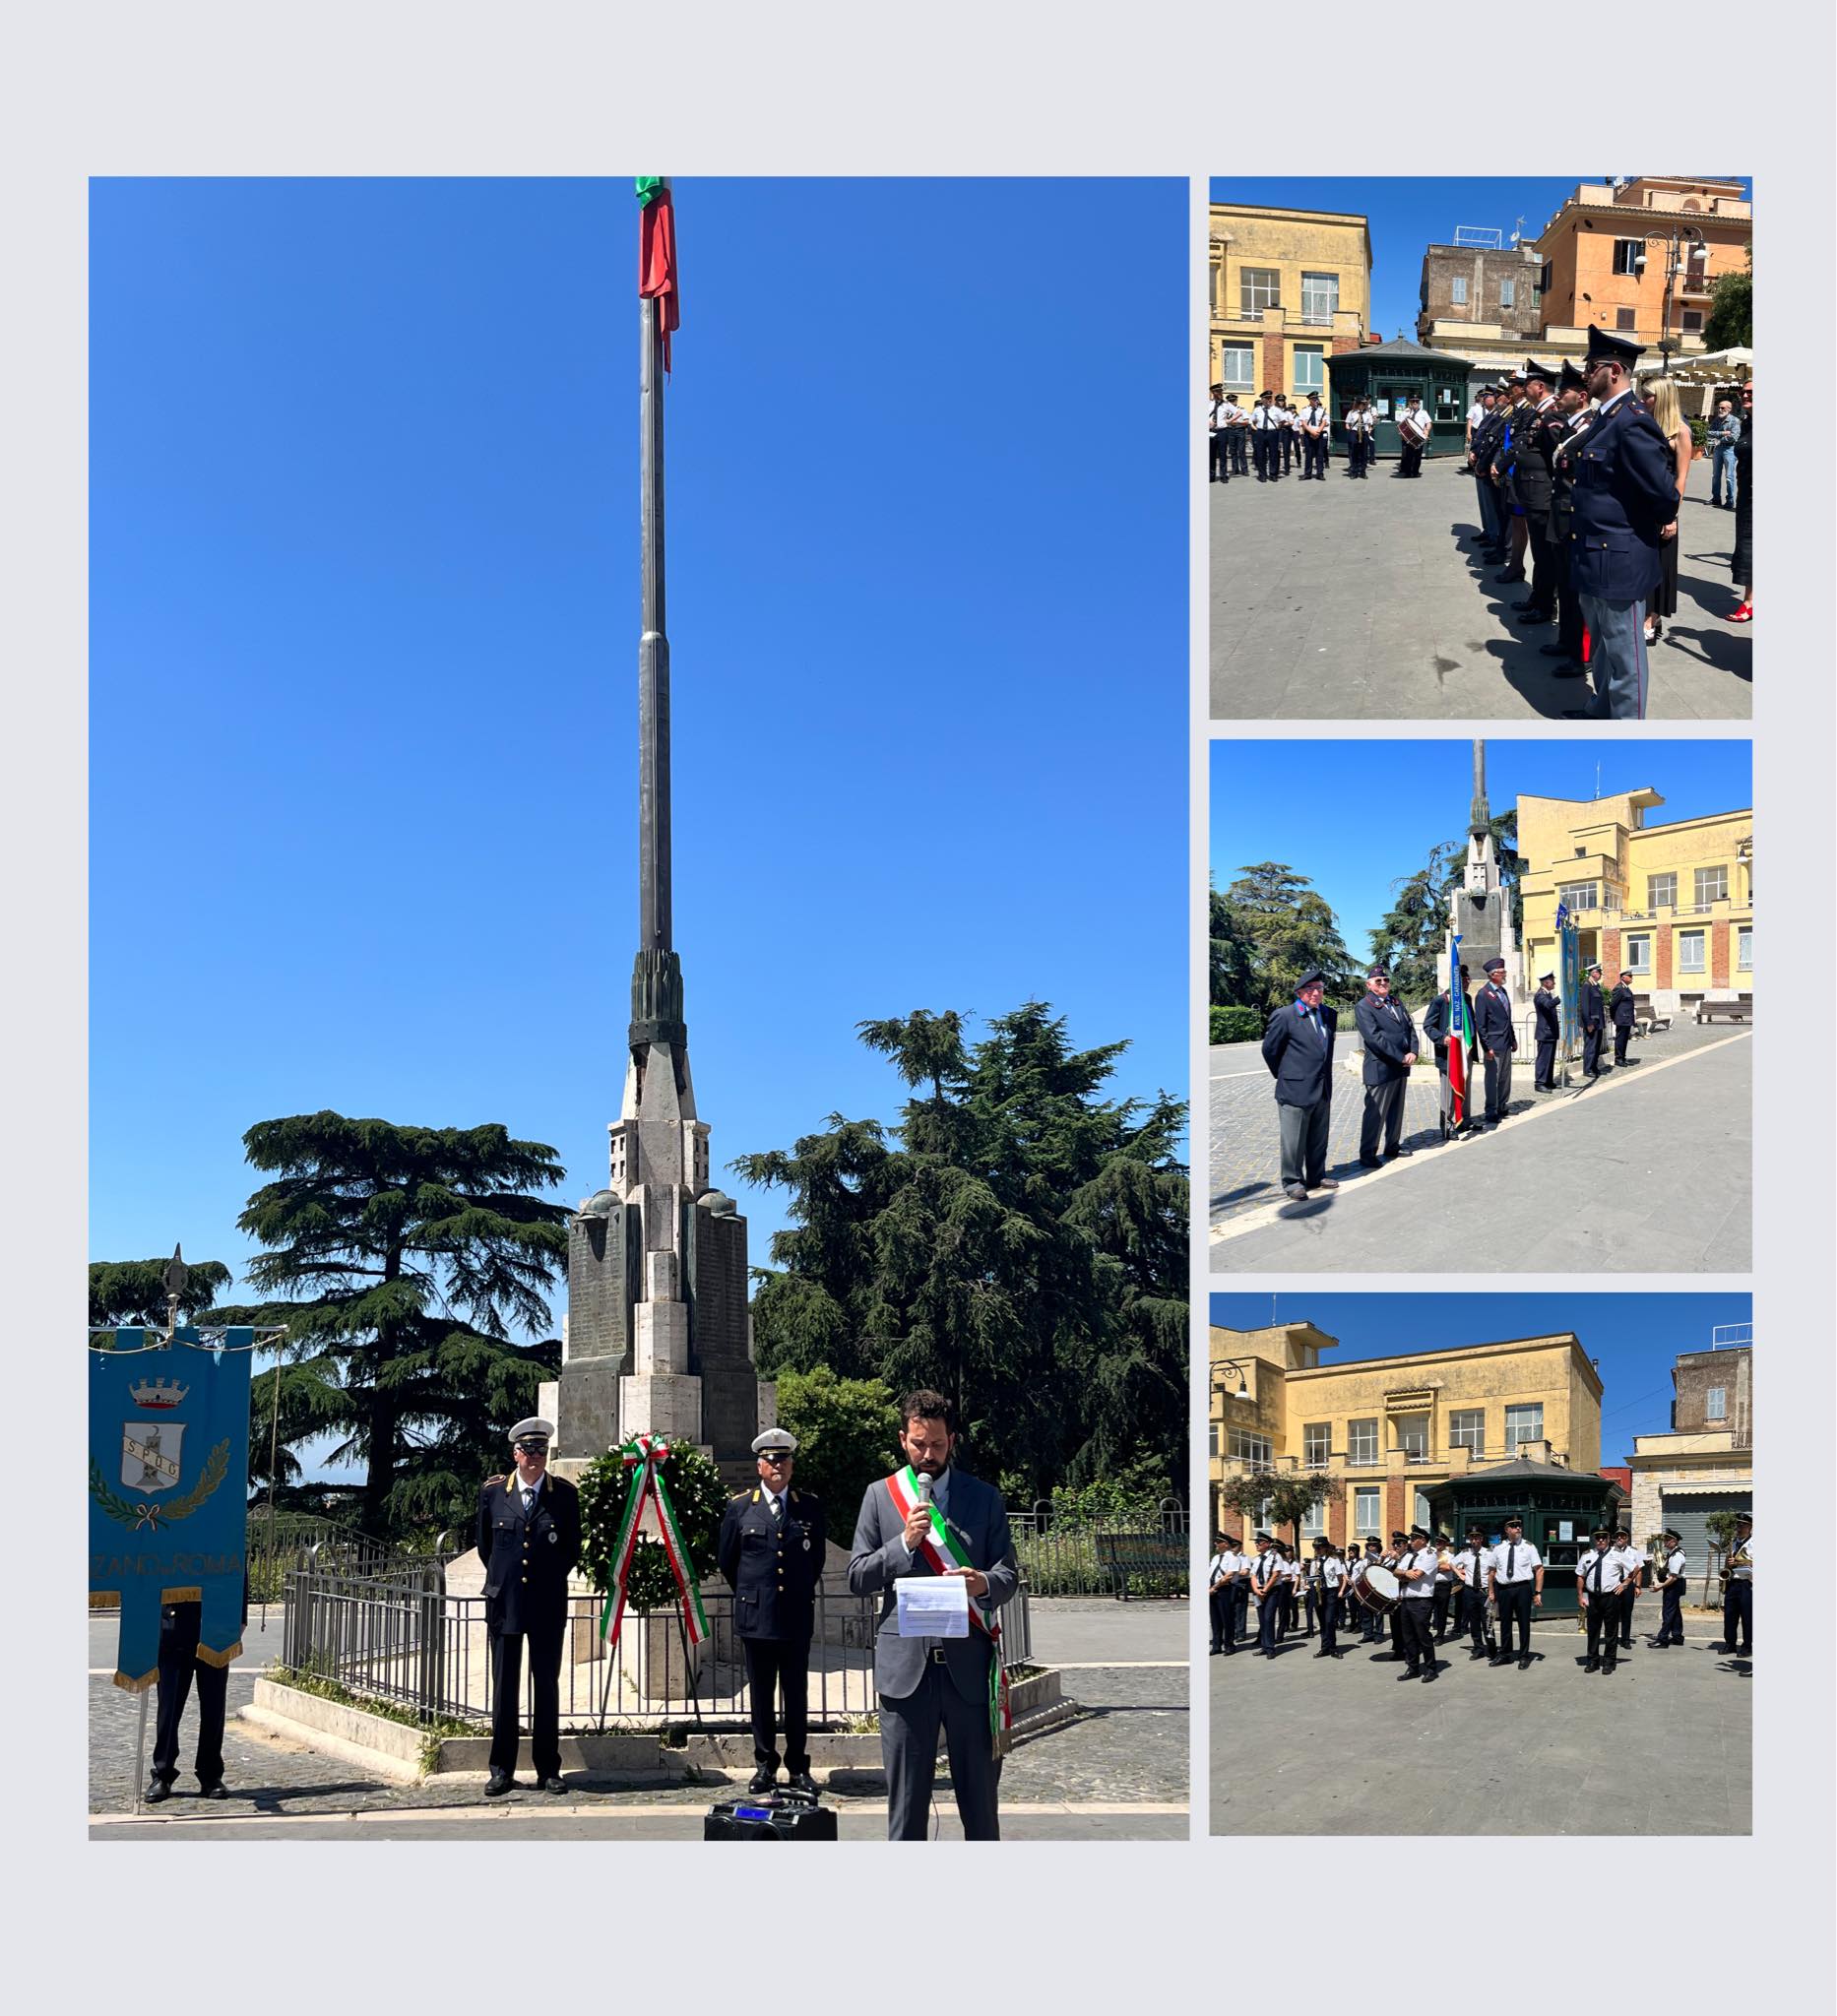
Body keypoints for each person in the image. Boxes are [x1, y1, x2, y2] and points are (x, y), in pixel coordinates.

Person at [848, 1387, 1017, 1840]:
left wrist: (982, 1583)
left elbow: (1008, 1574)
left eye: (937, 1445)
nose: (928, 1454)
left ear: (952, 1440)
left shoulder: (982, 1497)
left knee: (980, 1809)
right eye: (919, 1444)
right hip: (906, 1675)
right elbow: (858, 1575)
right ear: (904, 1439)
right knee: (906, 1812)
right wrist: (902, 1544)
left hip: (968, 1673)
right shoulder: (881, 1496)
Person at [1565, 324, 1679, 721]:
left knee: (1625, 657)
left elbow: (1663, 493)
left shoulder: (1631, 421)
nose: (1585, 374)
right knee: (1601, 649)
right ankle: (1601, 710)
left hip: (1619, 560)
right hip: (1593, 555)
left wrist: (1657, 525)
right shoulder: (1605, 418)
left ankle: (1627, 726)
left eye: (1591, 366)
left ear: (1614, 370)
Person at [477, 1416, 582, 1797]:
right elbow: (487, 1548)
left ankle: (548, 1768)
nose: (535, 1457)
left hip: (546, 1603)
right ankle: (501, 1769)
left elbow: (570, 1550)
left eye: (541, 1451)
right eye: (528, 1450)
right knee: (504, 1688)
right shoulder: (492, 1494)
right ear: (515, 1453)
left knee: (546, 1687)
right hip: (506, 1603)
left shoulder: (565, 1496)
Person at [718, 1426, 826, 1794]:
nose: (777, 1465)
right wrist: (754, 1596)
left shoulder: (808, 1506)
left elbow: (816, 1562)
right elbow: (728, 1561)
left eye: (784, 1459)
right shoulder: (740, 1507)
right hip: (757, 1617)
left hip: (795, 1616)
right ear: (759, 1465)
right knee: (762, 1696)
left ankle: (798, 1766)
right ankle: (765, 1765)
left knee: (796, 1695)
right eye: (770, 1459)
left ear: (792, 1465)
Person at [145, 1580, 248, 1803]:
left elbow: (236, 1568)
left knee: (213, 1706)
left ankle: (210, 1774)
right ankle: (162, 1773)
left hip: (215, 1626)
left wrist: (240, 1618)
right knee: (168, 1706)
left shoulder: (221, 1541)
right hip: (173, 1624)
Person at [1261, 969, 1340, 1202]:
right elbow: (1270, 1050)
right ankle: (1293, 1181)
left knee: (1318, 1137)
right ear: (1299, 993)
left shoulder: (1329, 1014)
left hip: (1322, 1087)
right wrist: (1286, 1075)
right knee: (1293, 1141)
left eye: (1319, 988)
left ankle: (1317, 1175)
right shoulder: (1284, 1015)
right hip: (1295, 1089)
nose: (1316, 993)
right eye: (1310, 989)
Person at [1541, 360, 1595, 677]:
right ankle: (1566, 640)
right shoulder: (1573, 427)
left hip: (1574, 519)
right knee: (1564, 583)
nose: (1560, 396)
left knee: (1576, 590)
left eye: (1566, 391)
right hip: (1560, 515)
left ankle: (1582, 654)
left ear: (1583, 396)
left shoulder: (1590, 429)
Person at [1505, 360, 1561, 625]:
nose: (1522, 388)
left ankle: (1545, 605)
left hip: (1543, 494)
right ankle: (1538, 598)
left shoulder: (1553, 414)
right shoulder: (1539, 412)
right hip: (1532, 491)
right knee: (1539, 552)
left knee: (1544, 554)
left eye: (1526, 384)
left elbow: (1556, 459)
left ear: (1539, 387)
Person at [1643, 375, 1692, 647]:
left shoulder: (1680, 432)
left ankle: (1651, 619)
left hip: (1665, 508)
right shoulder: (1648, 427)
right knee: (1645, 562)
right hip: (1644, 507)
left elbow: (1681, 478)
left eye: (1648, 395)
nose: (1642, 400)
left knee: (1661, 563)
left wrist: (1672, 516)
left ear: (1661, 398)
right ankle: (1650, 616)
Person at [1354, 965, 1418, 1167]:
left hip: (1401, 1065)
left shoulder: (1396, 1002)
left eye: (1385, 980)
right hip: (1380, 1066)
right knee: (1376, 1113)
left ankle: (1392, 1146)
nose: (1383, 983)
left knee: (1396, 1110)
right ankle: (1368, 1154)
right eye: (1378, 981)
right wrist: (1400, 1056)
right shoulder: (1364, 1006)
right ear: (1369, 985)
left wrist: (1413, 1051)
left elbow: (1410, 1028)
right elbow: (1374, 1038)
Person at [1422, 965, 1479, 1136]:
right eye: (1464, 979)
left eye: (1469, 979)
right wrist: (1442, 1038)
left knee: (1465, 1087)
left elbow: (1471, 1023)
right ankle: (1448, 1125)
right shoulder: (1441, 1000)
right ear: (1456, 981)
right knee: (1449, 1090)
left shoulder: (1467, 998)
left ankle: (1464, 1120)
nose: (1468, 982)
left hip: (1465, 1051)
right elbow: (1428, 1025)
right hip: (1449, 1054)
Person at [1488, 1514, 1542, 1670]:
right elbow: (1491, 1572)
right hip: (1503, 1589)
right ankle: (1505, 1654)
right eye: (1514, 1526)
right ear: (1506, 1530)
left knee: (1524, 1623)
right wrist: (1491, 1591)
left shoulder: (1529, 1547)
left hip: (1522, 1588)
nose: (1518, 1528)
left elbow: (1539, 1569)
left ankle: (1524, 1656)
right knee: (1505, 1623)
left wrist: (1537, 1592)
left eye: (1519, 1525)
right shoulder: (1498, 1549)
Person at [1578, 1528, 1629, 1674]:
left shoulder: (1616, 1554)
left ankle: (1609, 1661)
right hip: (1593, 1597)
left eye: (1603, 1537)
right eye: (1598, 1537)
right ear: (1594, 1539)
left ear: (1608, 1539)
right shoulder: (1587, 1555)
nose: (1600, 1540)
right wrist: (1580, 1595)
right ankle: (1592, 1661)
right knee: (1593, 1631)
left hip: (1610, 1597)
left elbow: (1635, 1568)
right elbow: (1580, 1576)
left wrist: (1625, 1584)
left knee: (1611, 1631)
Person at [1474, 957, 1517, 1126]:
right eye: (1502, 972)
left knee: (1505, 1077)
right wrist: (1487, 1047)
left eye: (1504, 971)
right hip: (1494, 1044)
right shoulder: (1483, 995)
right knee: (1493, 1079)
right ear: (1493, 975)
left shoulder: (1503, 992)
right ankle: (1491, 1109)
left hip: (1506, 1042)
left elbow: (1508, 1018)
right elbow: (1481, 1025)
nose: (1504, 974)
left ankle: (1502, 1105)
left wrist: (1513, 1039)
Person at [1394, 1527, 1439, 1682]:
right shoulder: (1408, 1556)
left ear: (1424, 1540)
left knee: (1423, 1637)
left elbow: (1417, 1576)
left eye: (1414, 1538)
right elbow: (1396, 1572)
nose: (1411, 1541)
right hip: (1407, 1600)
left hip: (1421, 1601)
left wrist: (1404, 1575)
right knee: (1408, 1637)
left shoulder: (1429, 1554)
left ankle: (1431, 1669)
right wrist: (1406, 1573)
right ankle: (1412, 1668)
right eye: (1411, 1538)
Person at [1724, 381, 1752, 623]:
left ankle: (1749, 601)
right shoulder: (1747, 422)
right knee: (1746, 544)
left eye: (1751, 392)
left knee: (1750, 547)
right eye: (1742, 391)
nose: (1744, 395)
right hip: (1746, 495)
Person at [1453, 1525, 1495, 1661]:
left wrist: (1492, 1590)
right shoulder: (1465, 1553)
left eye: (1476, 1538)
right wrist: (1460, 1575)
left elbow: (1495, 1570)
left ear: (1481, 1539)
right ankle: (1478, 1648)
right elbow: (1451, 1564)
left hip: (1484, 1591)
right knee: (1474, 1621)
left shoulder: (1489, 1553)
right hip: (1470, 1591)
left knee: (1488, 1621)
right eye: (1471, 1538)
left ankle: (1492, 1649)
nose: (1474, 1541)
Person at [1722, 1513, 1752, 1657]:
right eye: (1738, 1525)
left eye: (1742, 1525)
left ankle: (1747, 1646)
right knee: (1729, 1616)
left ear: (1750, 1527)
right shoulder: (1733, 1543)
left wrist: (1740, 1562)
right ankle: (1730, 1644)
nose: (1739, 1528)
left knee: (1747, 1617)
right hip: (1732, 1583)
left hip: (1748, 1584)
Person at [1651, 1529, 1688, 1647]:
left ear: (1674, 1541)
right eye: (1665, 1540)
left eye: (1667, 1540)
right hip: (1674, 1585)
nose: (1665, 1542)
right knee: (1675, 1611)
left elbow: (1673, 1577)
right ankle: (1677, 1637)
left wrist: (1660, 1586)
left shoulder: (1677, 1555)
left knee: (1668, 1612)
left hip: (1674, 1585)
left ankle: (1662, 1639)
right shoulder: (1673, 1552)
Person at [1250, 1532, 1284, 1656]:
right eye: (1256, 1542)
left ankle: (1270, 1648)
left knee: (1269, 1618)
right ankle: (1264, 1646)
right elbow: (1253, 1576)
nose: (1256, 1544)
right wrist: (1256, 1590)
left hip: (1271, 1591)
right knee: (1262, 1620)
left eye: (1259, 1542)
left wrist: (1265, 1590)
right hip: (1258, 1591)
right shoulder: (1257, 1559)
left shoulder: (1276, 1556)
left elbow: (1276, 1575)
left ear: (1267, 1544)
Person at [1706, 396, 1741, 509]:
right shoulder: (1717, 420)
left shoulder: (1735, 421)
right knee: (1715, 475)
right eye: (1719, 408)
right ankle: (1716, 498)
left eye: (1723, 408)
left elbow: (1734, 437)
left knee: (1729, 476)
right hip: (1718, 449)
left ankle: (1730, 500)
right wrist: (1723, 433)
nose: (1720, 410)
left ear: (1729, 409)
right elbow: (1709, 433)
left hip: (1730, 450)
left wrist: (1719, 439)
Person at [1315, 1544, 1347, 1659]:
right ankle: (1324, 1648)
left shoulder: (1334, 1560)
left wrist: (1338, 1590)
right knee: (1322, 1622)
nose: (1316, 1550)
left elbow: (1340, 1576)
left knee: (1329, 1621)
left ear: (1325, 1548)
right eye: (1315, 1547)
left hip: (1330, 1592)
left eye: (1319, 1547)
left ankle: (1333, 1648)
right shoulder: (1316, 1561)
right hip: (1319, 1592)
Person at [1532, 971, 1560, 1091]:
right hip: (1544, 1032)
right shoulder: (1540, 996)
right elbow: (1548, 1005)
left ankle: (1548, 1080)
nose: (1554, 982)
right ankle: (1540, 1083)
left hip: (1550, 1032)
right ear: (1546, 982)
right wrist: (1560, 998)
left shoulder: (1547, 994)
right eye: (1552, 980)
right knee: (1543, 1059)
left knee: (1550, 1058)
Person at [1579, 962, 1607, 1081]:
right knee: (1590, 1046)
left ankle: (1593, 1066)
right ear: (1594, 973)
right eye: (1599, 972)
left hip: (1598, 1022)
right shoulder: (1587, 986)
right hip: (1591, 1023)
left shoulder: (1595, 986)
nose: (1600, 975)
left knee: (1596, 1047)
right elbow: (1584, 1007)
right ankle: (1588, 1069)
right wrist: (1588, 1023)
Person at [1609, 970, 1638, 1068]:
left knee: (1625, 1039)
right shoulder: (1619, 988)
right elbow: (1613, 1004)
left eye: (1631, 976)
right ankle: (1618, 1059)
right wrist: (1614, 1017)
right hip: (1621, 1018)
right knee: (1620, 1039)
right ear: (1623, 977)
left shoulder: (1626, 988)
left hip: (1627, 1019)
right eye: (1629, 976)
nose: (1631, 978)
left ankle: (1623, 1057)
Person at [1396, 394, 1428, 477]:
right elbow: (1400, 424)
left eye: (1416, 401)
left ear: (1419, 403)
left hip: (1418, 437)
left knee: (1417, 456)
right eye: (1413, 401)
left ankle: (1415, 472)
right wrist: (1402, 434)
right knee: (1407, 456)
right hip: (1407, 438)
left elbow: (1428, 423)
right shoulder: (1405, 412)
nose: (1415, 403)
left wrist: (1427, 431)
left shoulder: (1423, 413)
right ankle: (1407, 472)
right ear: (1410, 403)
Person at [1299, 391, 1330, 478]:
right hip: (1308, 434)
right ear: (1310, 400)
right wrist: (1311, 432)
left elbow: (1324, 422)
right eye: (1314, 399)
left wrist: (1318, 432)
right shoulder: (1304, 410)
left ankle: (1320, 473)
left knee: (1320, 454)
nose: (1316, 400)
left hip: (1319, 434)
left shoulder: (1322, 410)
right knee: (1309, 455)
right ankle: (1307, 474)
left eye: (1317, 398)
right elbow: (1303, 423)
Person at [1251, 390, 1279, 480]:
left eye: (1270, 398)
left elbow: (1283, 420)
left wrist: (1277, 427)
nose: (1269, 400)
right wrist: (1256, 429)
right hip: (1261, 433)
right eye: (1267, 398)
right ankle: (1262, 475)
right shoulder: (1257, 410)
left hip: (1272, 433)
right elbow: (1252, 421)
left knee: (1273, 454)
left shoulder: (1276, 409)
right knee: (1261, 454)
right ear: (1262, 399)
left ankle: (1273, 474)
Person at [1208, 383, 1232, 483]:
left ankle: (1223, 476)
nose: (1220, 393)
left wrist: (1229, 421)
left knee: (1223, 454)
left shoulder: (1226, 404)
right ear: (1213, 392)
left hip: (1223, 431)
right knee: (1211, 455)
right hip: (1211, 432)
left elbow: (1238, 412)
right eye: (1218, 391)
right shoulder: (1208, 403)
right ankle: (1211, 476)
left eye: (1221, 391)